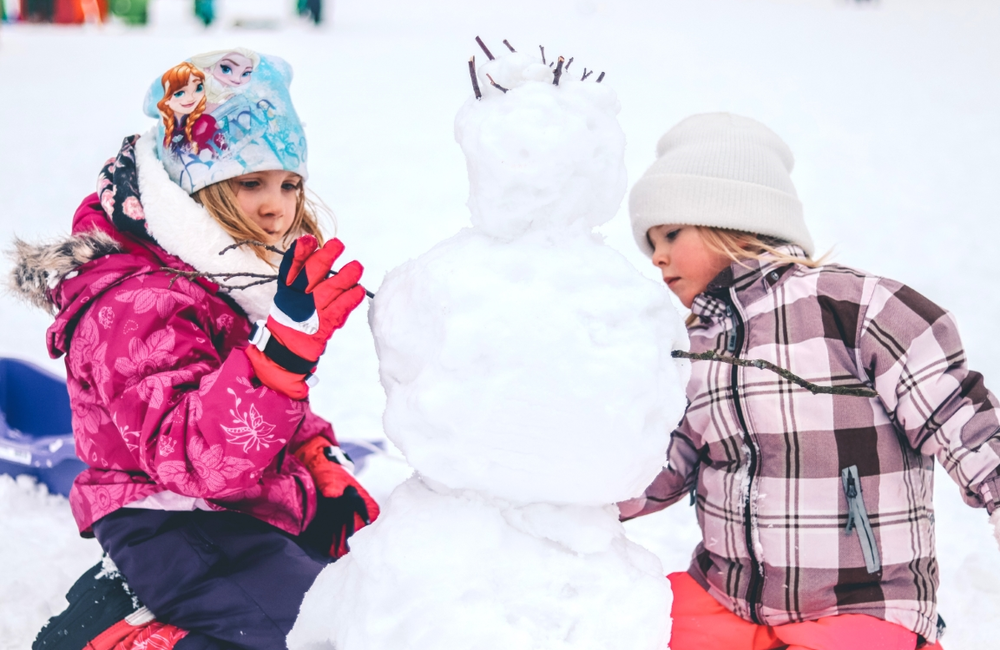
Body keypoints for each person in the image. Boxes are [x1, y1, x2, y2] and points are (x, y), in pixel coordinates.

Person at [12, 48, 379, 650]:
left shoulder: (220, 276)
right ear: (193, 188)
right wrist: (280, 361)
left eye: (290, 184)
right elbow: (190, 460)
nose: (277, 205)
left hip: (242, 505)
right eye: (251, 182)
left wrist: (315, 456)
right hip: (171, 522)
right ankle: (128, 635)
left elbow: (254, 402)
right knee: (326, 633)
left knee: (367, 588)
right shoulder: (135, 302)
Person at [620, 112, 1000, 650]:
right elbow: (659, 465)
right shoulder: (690, 349)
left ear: (729, 217)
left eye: (670, 234)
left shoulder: (855, 308)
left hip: (860, 600)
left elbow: (956, 413)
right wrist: (568, 497)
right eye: (650, 243)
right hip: (728, 597)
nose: (656, 256)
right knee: (627, 624)